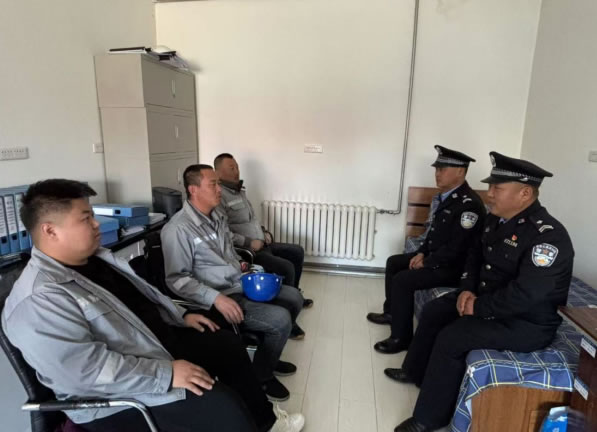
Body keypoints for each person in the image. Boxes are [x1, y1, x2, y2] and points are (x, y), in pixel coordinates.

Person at [1, 179, 305, 432]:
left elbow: (144, 301)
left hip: (154, 343)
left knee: (227, 345)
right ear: (50, 230)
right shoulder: (38, 299)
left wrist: (182, 315)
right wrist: (166, 374)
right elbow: (86, 373)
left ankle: (266, 422)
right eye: (85, 218)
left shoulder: (98, 258)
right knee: (222, 406)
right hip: (119, 390)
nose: (96, 225)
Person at [387, 152, 574, 432]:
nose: (489, 194)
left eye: (497, 188)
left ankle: (428, 419)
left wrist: (479, 307)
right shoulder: (495, 220)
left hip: (524, 322)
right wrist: (465, 290)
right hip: (485, 299)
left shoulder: (548, 237)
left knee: (453, 337)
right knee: (435, 310)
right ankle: (415, 372)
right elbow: (474, 258)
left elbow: (526, 295)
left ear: (525, 193)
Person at [161, 164, 304, 402]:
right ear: (193, 190)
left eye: (219, 183)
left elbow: (228, 252)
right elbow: (177, 279)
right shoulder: (178, 229)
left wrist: (242, 265)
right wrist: (216, 298)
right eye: (213, 184)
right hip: (218, 297)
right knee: (280, 319)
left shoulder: (217, 216)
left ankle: (268, 359)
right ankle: (262, 377)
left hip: (238, 283)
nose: (219, 189)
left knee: (294, 297)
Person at [367, 145, 486, 354]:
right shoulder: (446, 197)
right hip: (437, 256)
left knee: (403, 280)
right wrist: (421, 252)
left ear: (460, 171)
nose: (437, 174)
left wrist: (427, 262)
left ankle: (401, 338)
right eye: (437, 169)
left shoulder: (469, 205)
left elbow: (457, 249)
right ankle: (392, 313)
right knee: (394, 262)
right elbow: (432, 234)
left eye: (443, 169)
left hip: (454, 267)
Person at [214, 153, 313, 340]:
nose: (236, 171)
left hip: (262, 243)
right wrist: (249, 242)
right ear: (218, 173)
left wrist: (263, 232)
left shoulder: (239, 191)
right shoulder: (219, 197)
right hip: (249, 251)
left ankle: (294, 297)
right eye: (231, 168)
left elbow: (251, 220)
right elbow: (226, 233)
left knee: (296, 251)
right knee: (286, 267)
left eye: (237, 167)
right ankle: (289, 319)